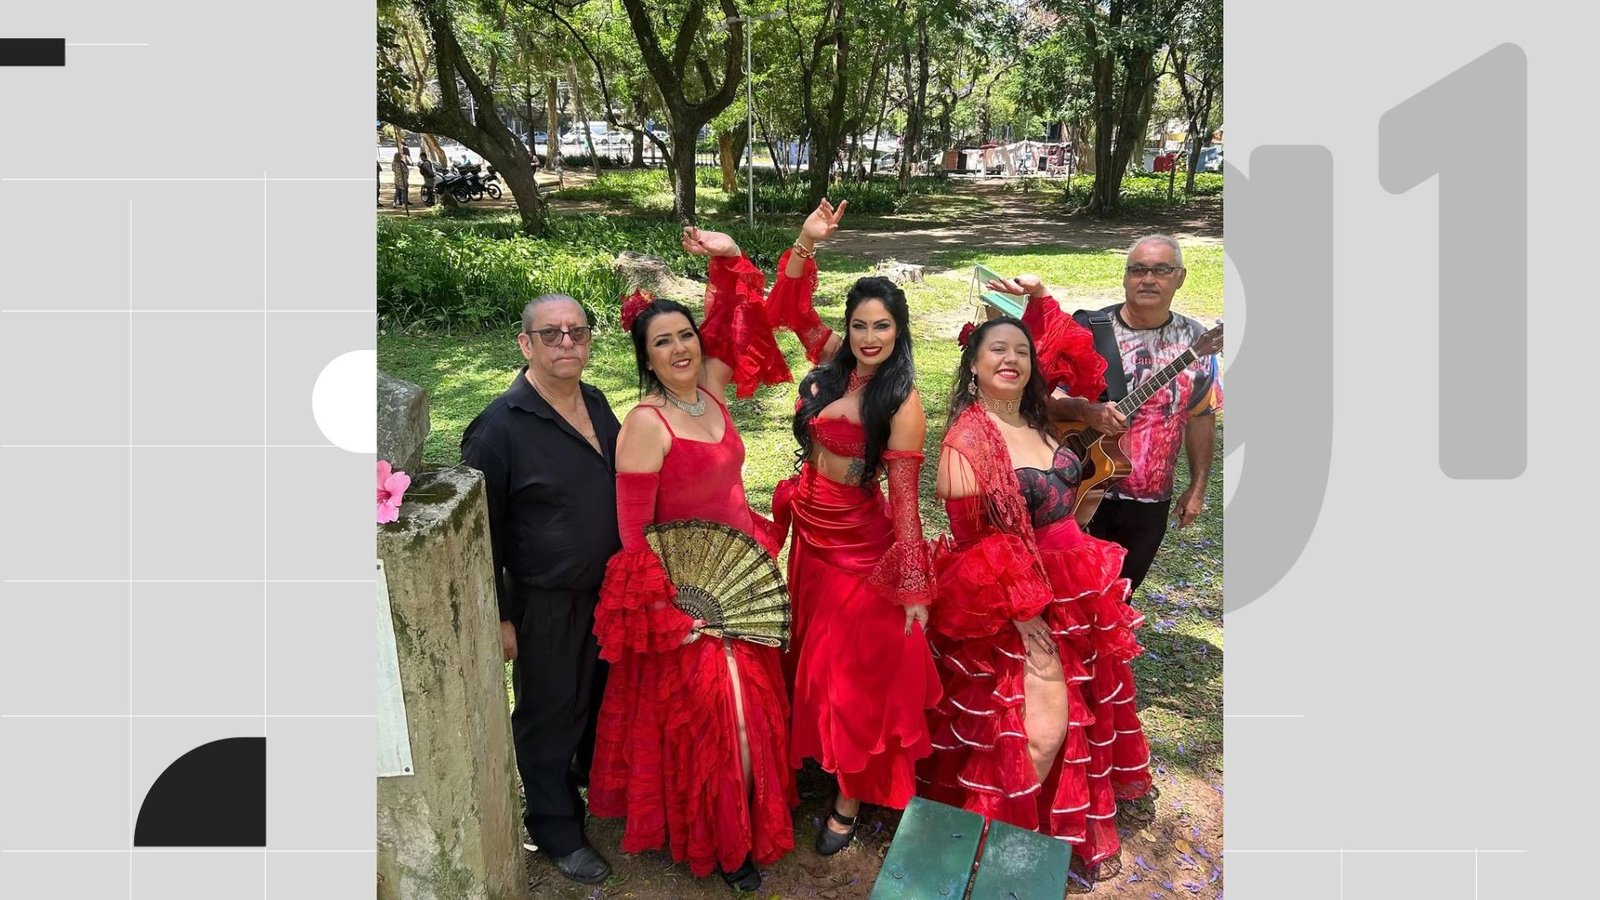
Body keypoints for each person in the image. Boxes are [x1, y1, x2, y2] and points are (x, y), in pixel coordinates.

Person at [919, 316, 1151, 878]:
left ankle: (1035, 841)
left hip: (1075, 585)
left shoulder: (1042, 417)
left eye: (1021, 351)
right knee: (1040, 731)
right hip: (1014, 601)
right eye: (996, 349)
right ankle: (990, 859)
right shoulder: (967, 440)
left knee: (1080, 714)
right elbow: (974, 549)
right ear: (972, 365)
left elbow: (1069, 493)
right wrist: (1021, 610)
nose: (1010, 359)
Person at [588, 292, 798, 893]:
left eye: (685, 335)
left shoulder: (711, 389)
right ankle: (726, 843)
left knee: (755, 714)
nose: (679, 348)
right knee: (721, 721)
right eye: (662, 342)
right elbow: (634, 533)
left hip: (739, 584)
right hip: (687, 596)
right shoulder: (645, 424)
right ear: (645, 358)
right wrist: (665, 607)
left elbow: (752, 315)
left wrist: (774, 249)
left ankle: (753, 823)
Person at [770, 271, 941, 856]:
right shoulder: (837, 361)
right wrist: (807, 244)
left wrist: (914, 586)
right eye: (860, 324)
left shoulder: (901, 401)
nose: (870, 337)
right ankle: (822, 756)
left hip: (856, 550)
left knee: (851, 675)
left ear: (901, 330)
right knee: (810, 662)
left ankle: (848, 800)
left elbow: (906, 506)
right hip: (810, 543)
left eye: (883, 326)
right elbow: (788, 309)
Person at [459, 295, 619, 885]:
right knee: (548, 713)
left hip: (607, 593)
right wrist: (501, 617)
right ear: (525, 344)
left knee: (597, 697)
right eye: (550, 334)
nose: (566, 342)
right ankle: (553, 826)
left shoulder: (597, 402)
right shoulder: (499, 428)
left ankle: (585, 780)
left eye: (576, 331)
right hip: (545, 602)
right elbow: (483, 534)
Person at [991, 234, 1221, 597]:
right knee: (1063, 596)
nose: (1148, 279)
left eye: (1161, 270)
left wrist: (1197, 487)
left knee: (1121, 596)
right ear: (1125, 276)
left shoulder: (1195, 340)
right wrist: (1085, 409)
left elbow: (1200, 416)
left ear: (1181, 276)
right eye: (1138, 270)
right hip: (1075, 489)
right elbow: (1037, 398)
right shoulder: (1091, 329)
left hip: (1149, 500)